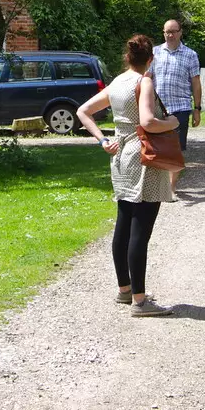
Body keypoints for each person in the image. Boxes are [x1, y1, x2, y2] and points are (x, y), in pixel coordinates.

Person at [76, 33, 181, 316]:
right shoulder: (144, 80)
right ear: (150, 59)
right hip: (144, 156)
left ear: (127, 57)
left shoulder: (118, 82)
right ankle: (140, 301)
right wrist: (171, 121)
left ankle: (124, 289)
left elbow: (83, 111)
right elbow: (147, 121)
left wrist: (102, 139)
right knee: (140, 231)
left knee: (123, 224)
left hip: (122, 157)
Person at [151, 17, 203, 172]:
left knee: (175, 149)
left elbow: (196, 83)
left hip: (180, 107)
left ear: (180, 33)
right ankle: (159, 184)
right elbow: (147, 78)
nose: (170, 35)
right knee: (156, 148)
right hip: (157, 107)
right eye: (167, 32)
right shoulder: (154, 52)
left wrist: (197, 109)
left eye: (173, 32)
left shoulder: (190, 55)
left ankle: (172, 188)